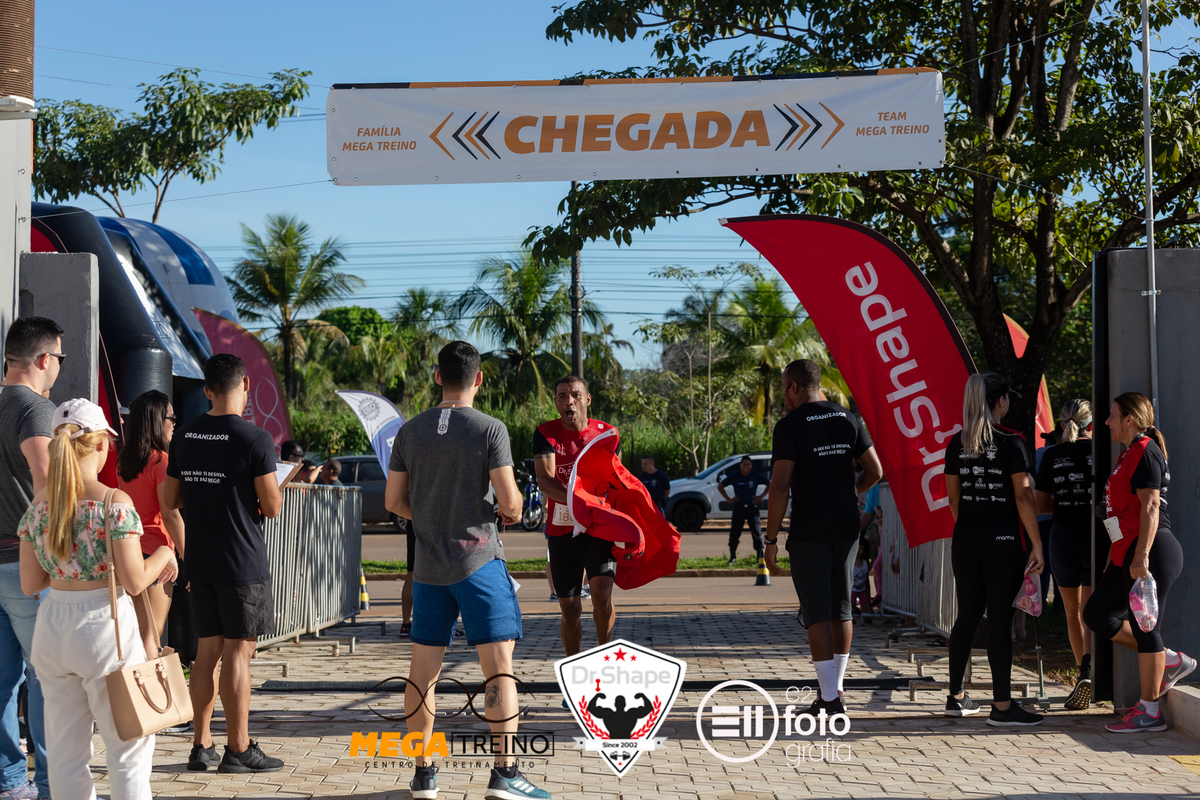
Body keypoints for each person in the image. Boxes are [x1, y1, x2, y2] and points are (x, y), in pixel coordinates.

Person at [384, 341, 550, 800]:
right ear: (479, 379)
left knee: (423, 674)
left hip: (428, 568)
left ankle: (424, 776)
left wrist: (434, 515)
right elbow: (512, 502)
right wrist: (503, 510)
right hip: (479, 563)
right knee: (498, 671)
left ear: (438, 377)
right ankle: (505, 773)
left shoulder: (410, 431)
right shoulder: (490, 428)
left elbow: (394, 502)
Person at [19, 398, 178, 800]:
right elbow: (134, 580)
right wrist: (165, 553)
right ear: (103, 444)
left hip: (52, 627)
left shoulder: (39, 507)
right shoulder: (113, 504)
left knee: (65, 753)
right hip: (104, 628)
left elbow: (30, 583)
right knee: (128, 746)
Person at [163, 354, 284, 773]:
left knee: (206, 652)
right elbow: (271, 506)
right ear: (246, 385)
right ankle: (238, 748)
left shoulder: (184, 436)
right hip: (241, 562)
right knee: (238, 652)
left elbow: (170, 501)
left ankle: (201, 744)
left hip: (202, 558)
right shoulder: (255, 438)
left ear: (207, 390)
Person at [765, 359, 882, 717]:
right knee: (841, 606)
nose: (784, 395)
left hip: (810, 527)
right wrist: (850, 492)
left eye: (785, 387)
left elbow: (780, 484)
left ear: (796, 387)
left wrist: (770, 540)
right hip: (846, 523)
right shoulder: (848, 418)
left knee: (816, 611)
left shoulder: (789, 427)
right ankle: (836, 689)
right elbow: (875, 470)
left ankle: (830, 699)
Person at [1083, 392, 1195, 732]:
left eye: (1112, 415)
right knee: (1096, 614)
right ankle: (1171, 659)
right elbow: (1120, 513)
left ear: (1129, 419)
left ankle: (1150, 712)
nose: (1106, 421)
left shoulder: (1145, 450)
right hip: (1126, 552)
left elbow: (1150, 507)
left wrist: (1141, 556)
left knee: (1147, 629)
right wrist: (1112, 556)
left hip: (1151, 550)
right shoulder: (1127, 454)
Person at [942, 372, 1045, 726]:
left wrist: (973, 526)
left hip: (966, 541)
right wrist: (1037, 544)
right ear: (1000, 402)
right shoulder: (1012, 442)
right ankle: (1002, 707)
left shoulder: (957, 443)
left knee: (967, 616)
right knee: (1000, 620)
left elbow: (954, 499)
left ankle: (955, 697)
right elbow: (1023, 496)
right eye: (1007, 398)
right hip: (1004, 543)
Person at [0, 317, 62, 800]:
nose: (58, 366)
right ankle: (53, 784)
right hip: (26, 561)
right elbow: (46, 485)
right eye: (59, 358)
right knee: (48, 677)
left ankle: (9, 782)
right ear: (43, 359)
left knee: (2, 679)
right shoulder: (36, 409)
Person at [534, 376, 618, 656]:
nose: (568, 401)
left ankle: (604, 658)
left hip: (598, 528)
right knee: (570, 607)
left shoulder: (606, 433)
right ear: (556, 402)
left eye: (574, 395)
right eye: (561, 396)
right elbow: (545, 480)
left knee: (601, 597)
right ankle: (575, 667)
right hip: (563, 531)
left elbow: (616, 479)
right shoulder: (546, 433)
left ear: (587, 399)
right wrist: (578, 501)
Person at [1034, 399, 1096, 710]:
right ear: (1091, 425)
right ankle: (1090, 671)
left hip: (1062, 537)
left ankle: (1081, 672)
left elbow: (1042, 506)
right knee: (1091, 611)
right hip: (1095, 538)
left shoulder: (1050, 455)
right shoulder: (1100, 453)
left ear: (1061, 424)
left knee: (1071, 612)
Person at [117, 390, 186, 665]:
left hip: (129, 552)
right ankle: (150, 703)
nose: (174, 424)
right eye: (171, 418)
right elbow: (170, 516)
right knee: (150, 636)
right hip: (157, 554)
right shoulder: (160, 461)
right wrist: (188, 556)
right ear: (158, 420)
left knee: (133, 632)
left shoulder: (125, 461)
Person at [718, 456, 769, 563]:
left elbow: (769, 484)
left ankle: (759, 558)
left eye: (748, 464)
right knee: (734, 533)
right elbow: (720, 486)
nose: (746, 466)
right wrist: (729, 499)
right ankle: (733, 557)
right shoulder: (735, 476)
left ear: (751, 465)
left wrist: (761, 497)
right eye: (744, 464)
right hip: (739, 508)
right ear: (740, 465)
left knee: (757, 532)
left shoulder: (755, 476)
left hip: (752, 508)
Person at [851, 539, 871, 621]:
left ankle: (865, 616)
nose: (858, 551)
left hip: (862, 588)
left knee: (864, 603)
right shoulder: (851, 562)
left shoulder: (865, 563)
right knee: (851, 602)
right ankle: (850, 617)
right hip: (852, 588)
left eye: (861, 548)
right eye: (857, 548)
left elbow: (866, 576)